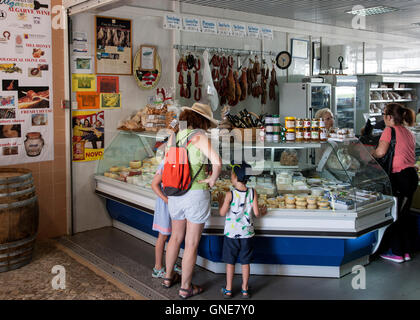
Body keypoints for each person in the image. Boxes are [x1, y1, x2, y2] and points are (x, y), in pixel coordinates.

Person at [162, 103, 222, 299]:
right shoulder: (199, 136)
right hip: (195, 194)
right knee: (191, 242)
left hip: (174, 192)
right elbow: (217, 162)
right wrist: (212, 179)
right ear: (203, 120)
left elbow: (166, 161)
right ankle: (186, 287)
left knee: (175, 237)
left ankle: (168, 276)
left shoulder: (174, 135)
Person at [371, 103, 418, 263]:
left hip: (399, 177)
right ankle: (405, 251)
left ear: (390, 116)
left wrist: (368, 152)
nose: (383, 118)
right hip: (411, 175)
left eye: (384, 114)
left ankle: (397, 252)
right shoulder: (408, 132)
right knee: (403, 214)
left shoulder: (389, 130)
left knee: (394, 214)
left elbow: (381, 152)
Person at [217, 162, 267, 299]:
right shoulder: (252, 192)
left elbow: (222, 213)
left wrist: (221, 201)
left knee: (230, 262)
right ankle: (245, 289)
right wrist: (263, 211)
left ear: (234, 177)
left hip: (231, 235)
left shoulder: (229, 194)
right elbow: (256, 213)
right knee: (245, 262)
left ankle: (228, 289)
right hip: (247, 234)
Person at [150, 160, 182, 278]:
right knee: (163, 236)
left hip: (175, 203)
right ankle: (157, 268)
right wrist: (166, 200)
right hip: (165, 204)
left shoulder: (180, 161)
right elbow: (154, 185)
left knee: (175, 236)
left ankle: (171, 263)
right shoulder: (165, 163)